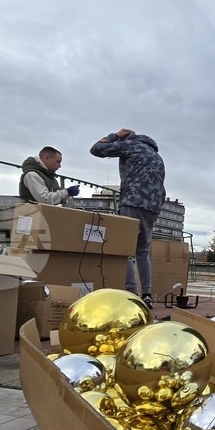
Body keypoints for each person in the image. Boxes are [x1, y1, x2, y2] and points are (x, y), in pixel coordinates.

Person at [90, 129, 166, 307]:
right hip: (153, 206)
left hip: (132, 201)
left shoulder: (131, 146)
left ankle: (131, 295)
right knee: (142, 251)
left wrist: (114, 136)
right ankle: (147, 295)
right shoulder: (157, 156)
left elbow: (96, 149)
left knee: (125, 251)